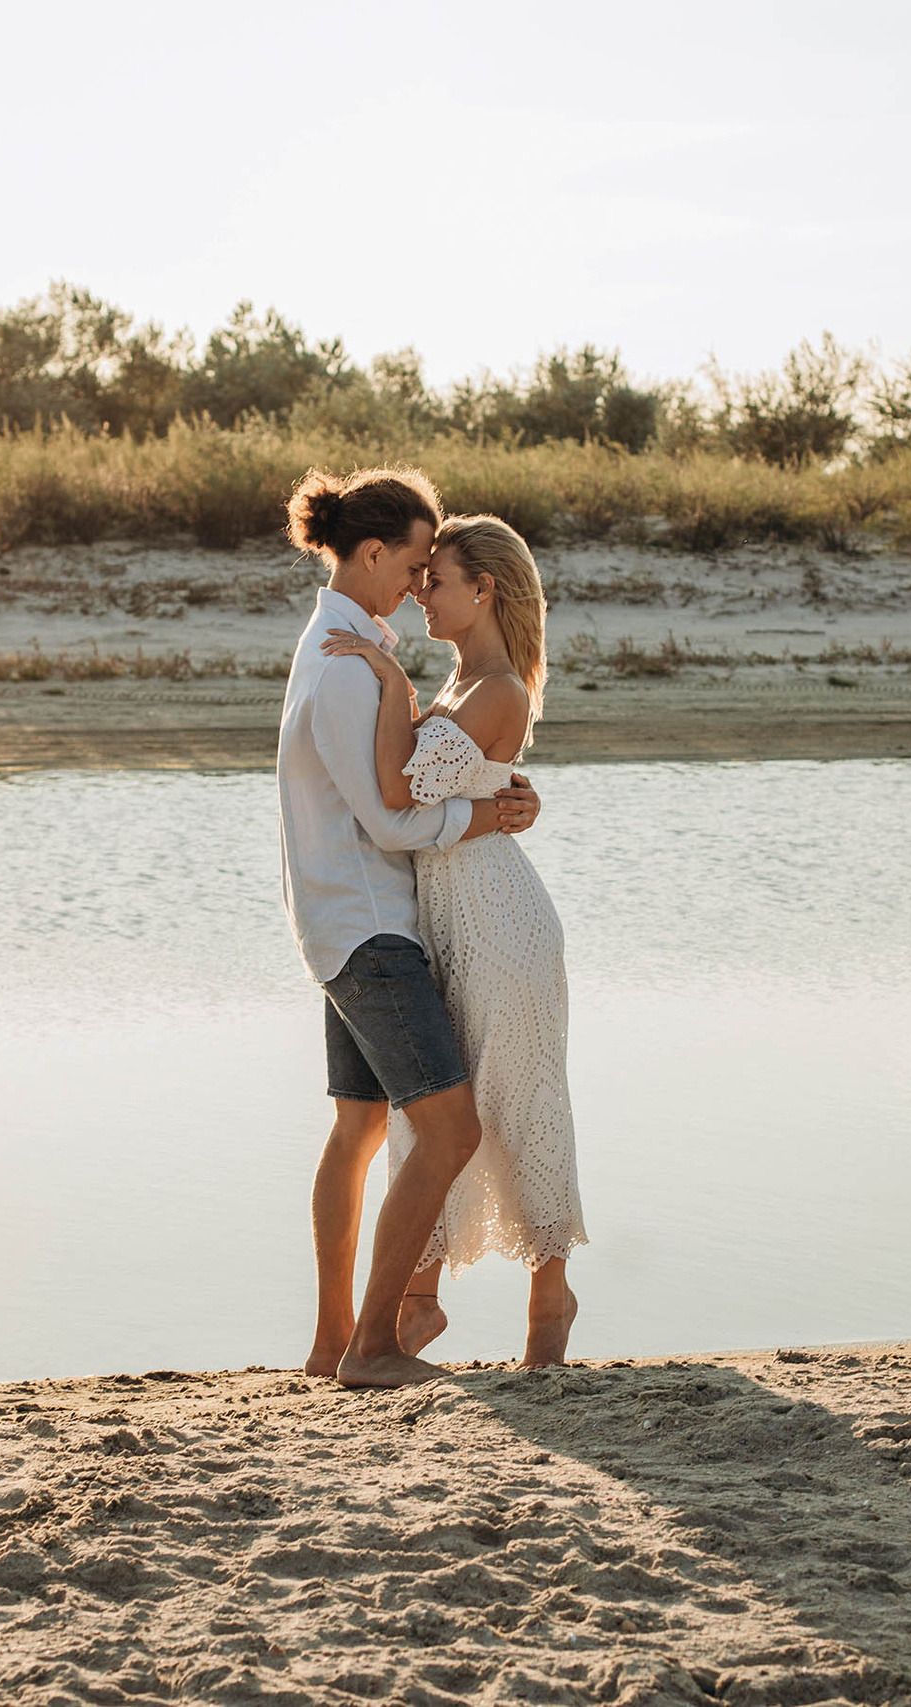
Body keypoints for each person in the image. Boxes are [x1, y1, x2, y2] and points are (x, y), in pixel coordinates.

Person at [277, 466, 540, 1389]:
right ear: (375, 551)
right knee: (451, 1131)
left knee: (357, 1129)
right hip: (373, 933)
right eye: (416, 562)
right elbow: (392, 817)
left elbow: (420, 767)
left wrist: (497, 789)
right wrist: (486, 817)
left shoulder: (339, 647)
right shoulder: (349, 665)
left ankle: (329, 1342)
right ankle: (374, 1345)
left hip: (342, 925)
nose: (419, 582)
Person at [320, 513, 586, 1367]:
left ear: (484, 591)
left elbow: (402, 786)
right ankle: (419, 1301)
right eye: (420, 573)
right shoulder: (463, 683)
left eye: (437, 578)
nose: (421, 589)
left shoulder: (500, 687)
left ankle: (550, 1296)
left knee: (521, 1101)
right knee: (434, 1109)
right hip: (445, 923)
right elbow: (454, 789)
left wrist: (392, 678)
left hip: (503, 927)